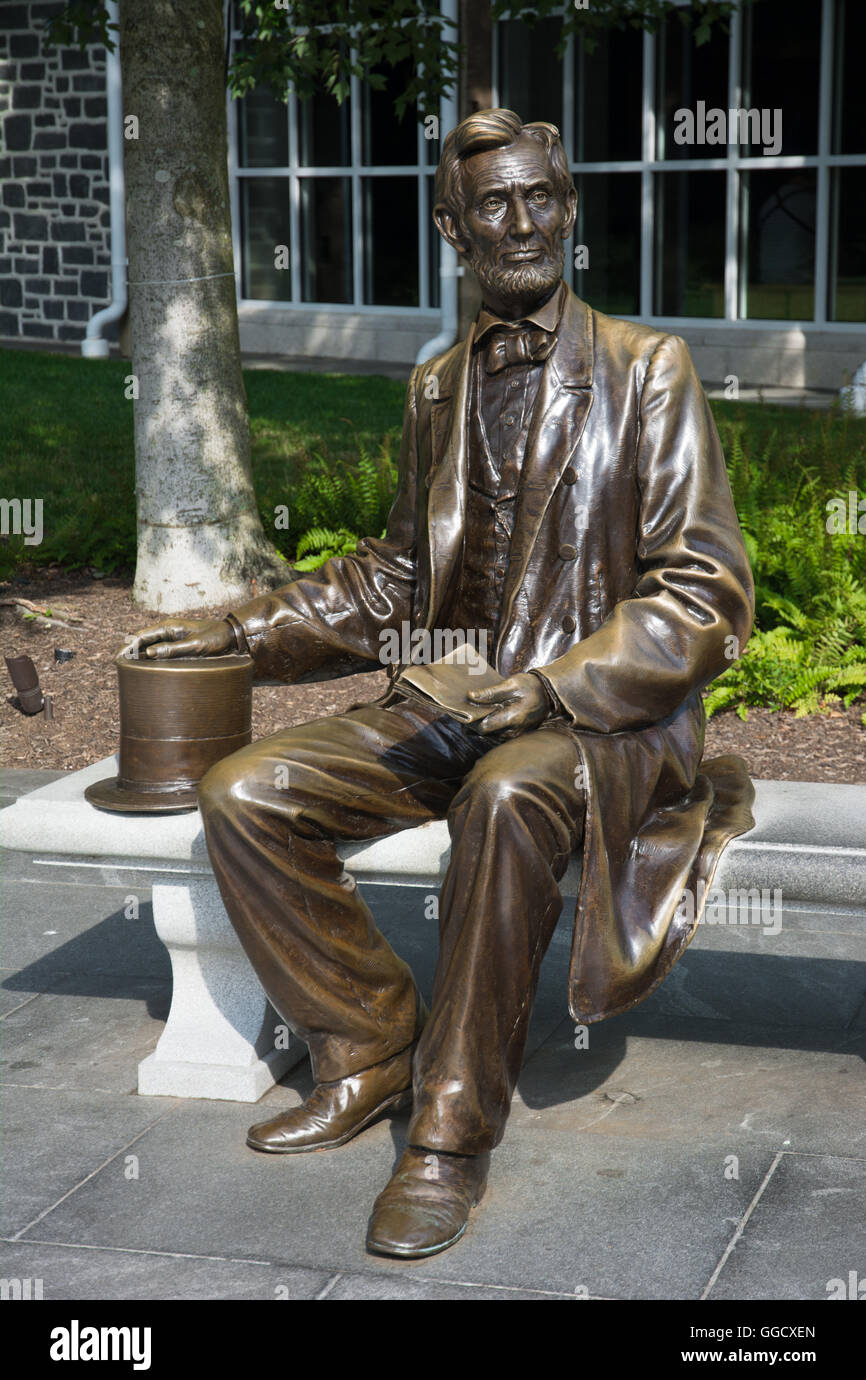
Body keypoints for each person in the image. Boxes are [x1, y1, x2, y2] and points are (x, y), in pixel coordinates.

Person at [132, 109, 755, 1259]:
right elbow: (393, 581)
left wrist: (558, 687)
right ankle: (368, 1048)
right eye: (491, 205)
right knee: (248, 791)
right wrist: (236, 630)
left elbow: (701, 590)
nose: (521, 223)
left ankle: (447, 1135)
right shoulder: (434, 388)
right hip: (451, 696)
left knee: (509, 793)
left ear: (567, 211)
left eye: (540, 200)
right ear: (449, 229)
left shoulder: (646, 369)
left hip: (599, 721)